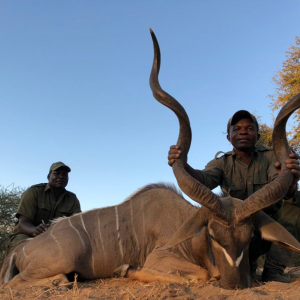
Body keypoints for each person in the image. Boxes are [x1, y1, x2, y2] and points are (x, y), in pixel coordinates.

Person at [168, 110, 300, 283]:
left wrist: (290, 179)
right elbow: (205, 180)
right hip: (233, 236)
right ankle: (243, 265)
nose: (243, 131)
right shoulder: (221, 163)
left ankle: (273, 271)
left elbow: (280, 187)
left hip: (266, 230)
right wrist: (184, 165)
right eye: (236, 129)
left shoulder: (272, 157)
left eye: (249, 128)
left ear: (257, 135)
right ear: (229, 138)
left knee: (296, 202)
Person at [9, 162, 81, 249]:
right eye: (56, 173)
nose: (61, 176)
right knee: (24, 246)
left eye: (64, 174)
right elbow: (22, 224)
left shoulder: (72, 198)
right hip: (28, 235)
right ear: (48, 176)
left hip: (56, 238)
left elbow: (77, 225)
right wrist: (35, 230)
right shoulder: (34, 192)